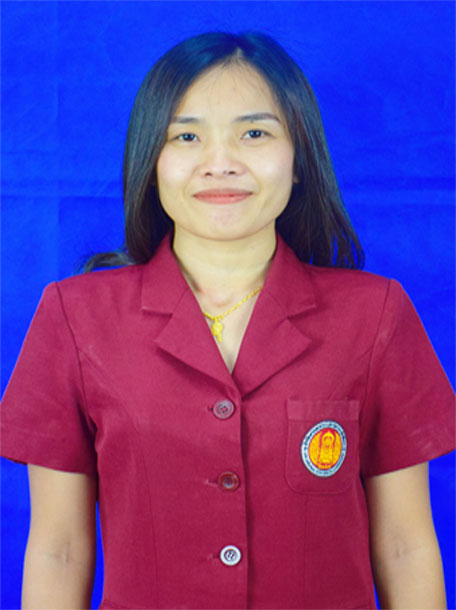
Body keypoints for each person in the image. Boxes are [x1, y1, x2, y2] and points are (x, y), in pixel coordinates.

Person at [1, 30, 454, 610]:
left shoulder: (375, 314)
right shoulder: (76, 317)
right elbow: (59, 549)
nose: (220, 164)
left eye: (254, 133)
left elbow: (404, 546)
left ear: (299, 160)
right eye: (186, 136)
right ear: (151, 162)